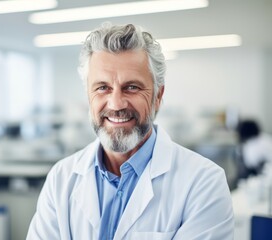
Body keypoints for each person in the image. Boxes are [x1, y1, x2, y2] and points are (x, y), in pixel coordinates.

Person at [26, 23, 234, 240]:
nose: (116, 104)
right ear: (89, 96)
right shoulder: (61, 178)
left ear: (158, 97)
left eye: (132, 87)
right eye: (102, 87)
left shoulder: (204, 183)